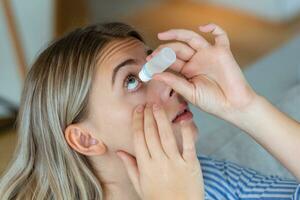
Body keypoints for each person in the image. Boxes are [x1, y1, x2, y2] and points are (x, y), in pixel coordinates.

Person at [0, 22, 298, 200]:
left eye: (154, 67)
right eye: (132, 81)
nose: (172, 85)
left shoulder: (207, 179)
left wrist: (246, 107)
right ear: (85, 139)